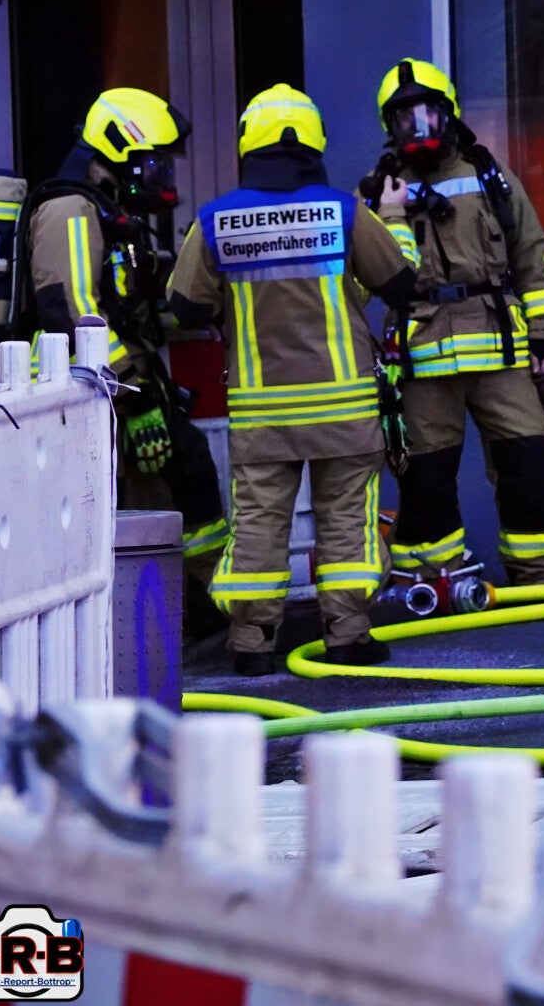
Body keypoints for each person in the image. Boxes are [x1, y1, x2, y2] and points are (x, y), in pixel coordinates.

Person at [167, 86, 416, 674]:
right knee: (346, 520)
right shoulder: (344, 211)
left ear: (248, 143)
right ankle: (348, 637)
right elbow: (403, 284)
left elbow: (184, 308)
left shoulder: (215, 220)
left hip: (263, 412)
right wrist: (397, 217)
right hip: (345, 407)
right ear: (314, 142)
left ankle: (252, 645)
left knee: (258, 523)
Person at [367, 59, 544, 588]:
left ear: (450, 115)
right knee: (426, 481)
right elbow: (370, 278)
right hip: (421, 359)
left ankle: (540, 582)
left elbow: (531, 259)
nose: (418, 129)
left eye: (427, 116)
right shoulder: (378, 194)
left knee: (529, 465)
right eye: (404, 119)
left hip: (502, 352)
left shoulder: (490, 177)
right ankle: (434, 586)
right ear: (389, 127)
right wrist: (388, 213)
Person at [24, 87, 230, 599]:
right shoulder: (69, 209)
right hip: (87, 394)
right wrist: (132, 401)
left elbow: (127, 303)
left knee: (177, 479)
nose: (163, 174)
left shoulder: (103, 210)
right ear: (120, 151)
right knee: (141, 493)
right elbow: (73, 312)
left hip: (120, 388)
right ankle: (192, 604)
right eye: (153, 161)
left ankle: (197, 604)